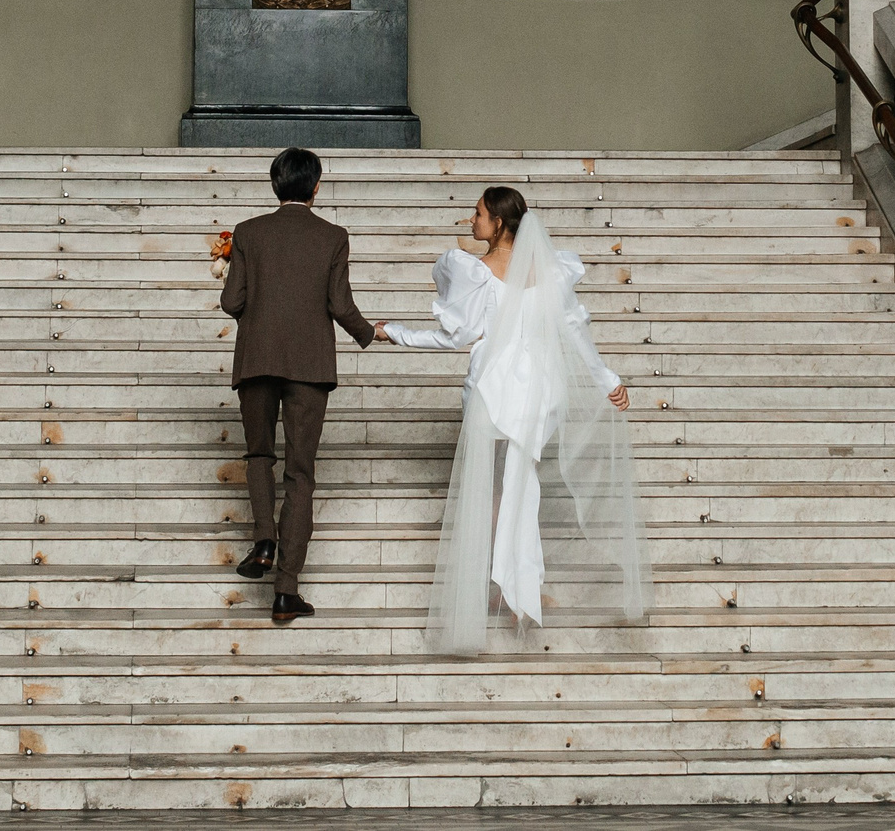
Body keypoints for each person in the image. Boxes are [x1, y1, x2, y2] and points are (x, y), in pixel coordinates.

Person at [377, 187, 650, 652]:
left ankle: (503, 586)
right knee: (520, 483)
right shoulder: (550, 271)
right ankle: (517, 587)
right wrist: (607, 379)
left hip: (495, 388)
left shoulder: (477, 273)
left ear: (499, 223)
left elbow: (455, 337)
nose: (470, 220)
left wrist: (396, 333)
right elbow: (575, 332)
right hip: (539, 390)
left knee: (495, 487)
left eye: (478, 213)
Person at [219, 146, 374, 624]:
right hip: (309, 364)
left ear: (275, 184)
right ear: (316, 187)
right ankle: (286, 591)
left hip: (257, 359)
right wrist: (370, 333)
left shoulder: (247, 232)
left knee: (259, 456)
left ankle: (264, 539)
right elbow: (340, 305)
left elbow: (232, 303)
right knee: (300, 474)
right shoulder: (333, 236)